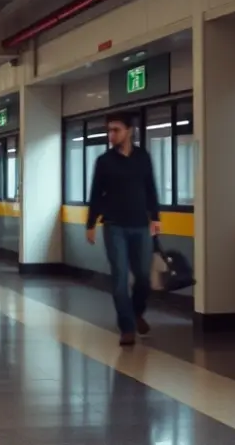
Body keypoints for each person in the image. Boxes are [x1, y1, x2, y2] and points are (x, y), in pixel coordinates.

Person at [86, 112, 161, 346]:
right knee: (119, 278)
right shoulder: (104, 161)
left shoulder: (143, 158)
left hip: (140, 225)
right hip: (114, 225)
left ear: (129, 131)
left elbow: (151, 188)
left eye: (116, 130)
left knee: (143, 278)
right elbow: (96, 194)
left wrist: (155, 217)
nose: (111, 135)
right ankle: (127, 328)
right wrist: (91, 224)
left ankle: (136, 312)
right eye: (109, 130)